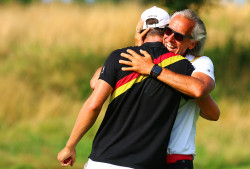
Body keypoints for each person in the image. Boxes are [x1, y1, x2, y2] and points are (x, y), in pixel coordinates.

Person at [57, 6, 195, 169]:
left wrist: (70, 146)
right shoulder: (182, 67)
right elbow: (205, 103)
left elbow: (94, 102)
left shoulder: (119, 57)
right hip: (145, 164)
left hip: (103, 161)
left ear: (141, 30)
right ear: (167, 31)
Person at [119, 9, 220, 169]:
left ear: (192, 43)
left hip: (175, 158)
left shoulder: (199, 63)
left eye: (179, 36)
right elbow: (97, 81)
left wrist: (153, 70)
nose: (170, 39)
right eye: (168, 31)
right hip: (142, 156)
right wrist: (139, 49)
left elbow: (203, 96)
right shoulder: (147, 58)